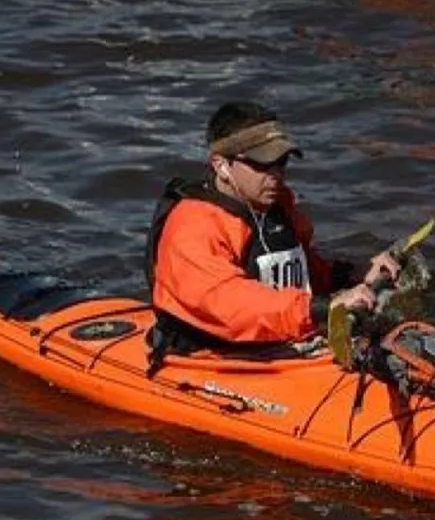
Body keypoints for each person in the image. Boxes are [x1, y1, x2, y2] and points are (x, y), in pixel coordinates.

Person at [144, 101, 401, 364]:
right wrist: (321, 309)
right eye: (262, 164)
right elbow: (230, 304)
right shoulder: (194, 226)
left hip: (280, 342)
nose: (276, 174)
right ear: (221, 165)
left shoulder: (276, 207)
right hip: (215, 358)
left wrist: (351, 275)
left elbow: (299, 273)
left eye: (281, 162)